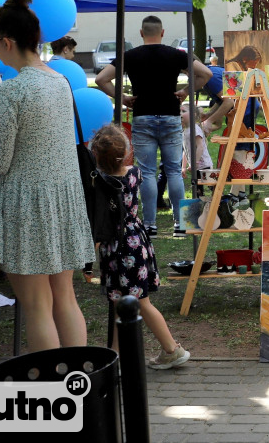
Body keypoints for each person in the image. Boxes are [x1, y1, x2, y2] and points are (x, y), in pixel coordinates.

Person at [0, 0, 94, 353]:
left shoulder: (13, 90)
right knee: (64, 297)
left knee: (35, 305)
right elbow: (37, 132)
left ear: (7, 42)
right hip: (61, 201)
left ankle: (50, 393)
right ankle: (78, 382)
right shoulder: (59, 80)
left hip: (26, 207)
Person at [95, 15, 213, 236]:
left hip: (143, 117)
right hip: (170, 117)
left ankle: (150, 225)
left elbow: (102, 79)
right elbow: (205, 74)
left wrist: (123, 97)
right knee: (175, 172)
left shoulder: (130, 56)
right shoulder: (177, 55)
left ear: (141, 33)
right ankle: (181, 224)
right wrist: (185, 91)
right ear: (163, 32)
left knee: (147, 173)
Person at [89, 124, 190, 369]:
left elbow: (101, 216)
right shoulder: (134, 173)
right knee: (121, 302)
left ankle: (172, 349)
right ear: (125, 153)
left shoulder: (101, 181)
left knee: (139, 303)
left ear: (97, 158)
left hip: (117, 247)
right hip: (137, 240)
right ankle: (115, 355)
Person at [181, 103, 212, 177]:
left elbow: (200, 147)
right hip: (196, 166)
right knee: (196, 186)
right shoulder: (185, 131)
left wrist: (195, 163)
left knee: (209, 187)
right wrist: (183, 167)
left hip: (204, 166)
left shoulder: (194, 129)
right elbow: (186, 150)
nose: (180, 113)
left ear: (193, 114)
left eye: (183, 111)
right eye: (179, 111)